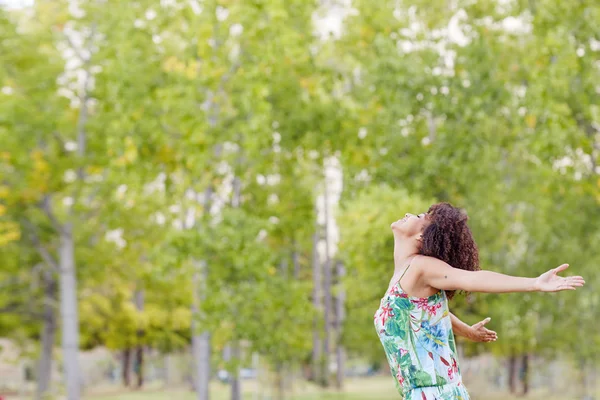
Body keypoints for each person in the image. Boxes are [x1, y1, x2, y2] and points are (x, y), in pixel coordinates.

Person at [374, 202, 585, 400]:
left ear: (421, 236)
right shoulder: (403, 276)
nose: (408, 214)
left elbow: (472, 278)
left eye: (418, 216)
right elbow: (421, 315)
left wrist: (534, 283)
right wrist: (467, 330)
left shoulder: (420, 267)